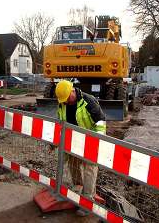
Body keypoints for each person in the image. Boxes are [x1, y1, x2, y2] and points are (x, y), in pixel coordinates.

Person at [55, 80, 106, 217]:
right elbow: (60, 121)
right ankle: (78, 186)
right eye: (63, 101)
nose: (65, 102)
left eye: (67, 99)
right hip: (73, 140)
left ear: (72, 91)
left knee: (90, 168)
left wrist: (97, 141)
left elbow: (100, 122)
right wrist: (56, 140)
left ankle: (88, 200)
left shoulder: (89, 101)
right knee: (73, 164)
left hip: (90, 140)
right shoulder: (62, 103)